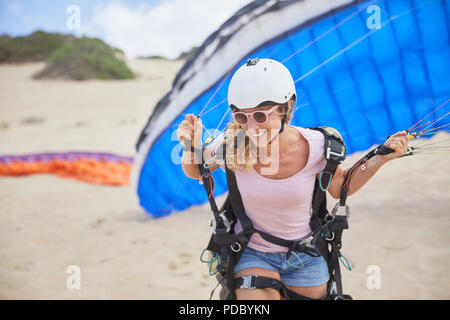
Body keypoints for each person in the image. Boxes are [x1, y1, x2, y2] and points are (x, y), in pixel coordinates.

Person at [177, 58, 409, 300]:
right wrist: (189, 146)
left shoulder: (319, 147)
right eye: (241, 118)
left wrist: (380, 158)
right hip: (253, 252)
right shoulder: (231, 143)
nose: (251, 127)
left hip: (306, 254)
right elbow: (196, 170)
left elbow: (341, 186)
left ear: (286, 109)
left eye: (260, 115)